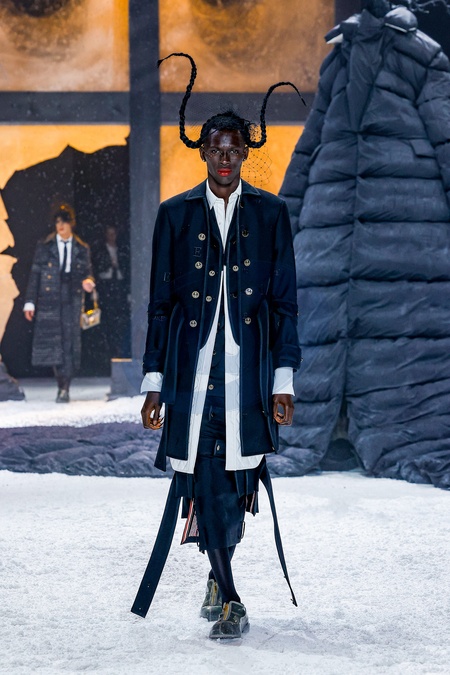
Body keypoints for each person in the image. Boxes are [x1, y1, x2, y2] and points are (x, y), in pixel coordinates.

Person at [131, 53, 303, 640]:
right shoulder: (174, 215)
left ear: (245, 153)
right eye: (215, 149)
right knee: (204, 478)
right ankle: (231, 598)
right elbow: (159, 305)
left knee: (234, 486)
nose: (225, 159)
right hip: (190, 372)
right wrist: (153, 383)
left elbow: (285, 303)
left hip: (247, 376)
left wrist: (283, 382)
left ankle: (215, 574)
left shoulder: (271, 214)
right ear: (202, 152)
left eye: (234, 150)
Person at [24, 206, 95, 402]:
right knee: (54, 342)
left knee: (69, 342)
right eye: (57, 222)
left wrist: (88, 281)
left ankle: (65, 387)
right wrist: (30, 302)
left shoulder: (81, 248)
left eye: (63, 221)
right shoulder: (45, 246)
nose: (60, 226)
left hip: (72, 298)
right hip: (50, 299)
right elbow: (35, 275)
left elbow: (88, 272)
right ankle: (61, 383)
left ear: (71, 223)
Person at [93, 224, 130, 362]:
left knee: (119, 320)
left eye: (113, 234)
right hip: (106, 288)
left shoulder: (122, 250)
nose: (111, 237)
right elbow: (98, 268)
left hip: (119, 289)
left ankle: (118, 348)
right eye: (109, 234)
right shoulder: (101, 251)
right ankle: (108, 350)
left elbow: (126, 269)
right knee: (107, 320)